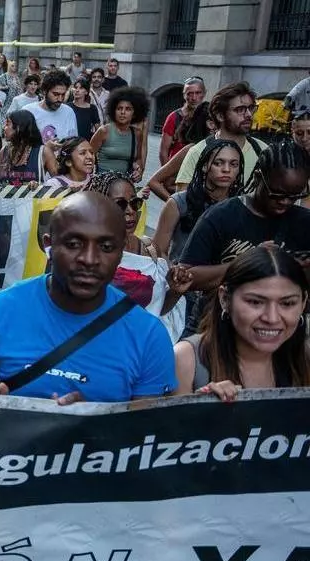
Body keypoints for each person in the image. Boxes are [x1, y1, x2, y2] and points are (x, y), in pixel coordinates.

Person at [0, 191, 177, 403]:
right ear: (49, 246)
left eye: (106, 247)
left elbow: (147, 429)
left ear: (120, 252)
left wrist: (94, 421)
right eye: (74, 244)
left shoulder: (148, 336)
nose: (89, 259)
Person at [180, 141, 310, 304]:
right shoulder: (221, 216)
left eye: (295, 196)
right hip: (221, 315)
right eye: (276, 194)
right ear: (257, 177)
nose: (285, 202)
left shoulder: (304, 222)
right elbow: (185, 277)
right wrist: (248, 262)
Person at [175, 247, 309, 399]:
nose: (272, 318)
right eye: (255, 302)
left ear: (303, 303)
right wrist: (201, 407)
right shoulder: (187, 360)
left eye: (287, 303)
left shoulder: (305, 359)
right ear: (225, 299)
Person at [85, 172, 192, 341]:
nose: (130, 211)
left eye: (135, 203)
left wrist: (175, 291)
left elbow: (158, 309)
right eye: (120, 204)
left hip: (143, 348)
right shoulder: (87, 255)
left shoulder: (150, 250)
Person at [153, 139, 245, 262]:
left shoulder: (241, 206)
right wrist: (173, 270)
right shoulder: (178, 202)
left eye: (234, 164)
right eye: (218, 163)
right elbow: (157, 251)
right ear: (205, 166)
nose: (226, 169)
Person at [176, 82, 268, 190]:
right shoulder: (198, 152)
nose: (248, 115)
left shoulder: (263, 151)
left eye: (251, 108)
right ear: (220, 116)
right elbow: (182, 197)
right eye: (240, 110)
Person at [90, 86, 149, 181]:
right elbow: (88, 156)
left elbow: (137, 158)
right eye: (119, 108)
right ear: (114, 111)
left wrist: (138, 170)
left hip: (125, 183)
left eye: (128, 109)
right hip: (102, 182)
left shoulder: (137, 133)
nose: (123, 112)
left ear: (134, 113)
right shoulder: (104, 131)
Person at [0, 110, 56, 186]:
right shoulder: (4, 151)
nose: (4, 128)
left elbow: (59, 181)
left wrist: (39, 186)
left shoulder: (43, 152)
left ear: (19, 127)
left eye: (7, 124)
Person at [160, 77, 207, 165]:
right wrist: (167, 172)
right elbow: (163, 152)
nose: (194, 98)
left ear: (204, 93)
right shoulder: (174, 117)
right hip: (177, 167)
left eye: (198, 93)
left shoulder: (209, 117)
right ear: (184, 95)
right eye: (189, 94)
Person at [25, 71, 78, 143]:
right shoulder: (28, 112)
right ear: (44, 91)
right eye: (55, 94)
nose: (60, 99)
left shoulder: (69, 112)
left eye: (63, 94)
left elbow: (73, 143)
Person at [66, 77, 102, 141]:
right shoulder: (67, 107)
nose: (77, 90)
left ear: (86, 92)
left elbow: (98, 130)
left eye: (81, 88)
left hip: (86, 142)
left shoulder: (92, 108)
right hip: (70, 143)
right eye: (75, 87)